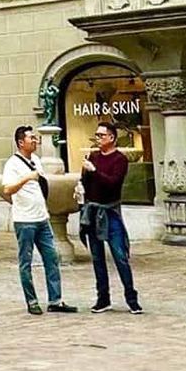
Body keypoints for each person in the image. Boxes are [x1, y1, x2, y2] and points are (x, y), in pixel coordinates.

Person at [2, 126, 77, 316]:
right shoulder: (12, 164)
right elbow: (7, 190)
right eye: (31, 138)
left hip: (42, 218)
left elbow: (41, 184)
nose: (35, 141)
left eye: (35, 137)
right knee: (25, 262)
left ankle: (55, 300)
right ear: (21, 142)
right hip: (24, 220)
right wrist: (26, 178)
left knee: (52, 258)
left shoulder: (35, 160)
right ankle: (32, 300)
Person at [79, 120, 142, 315]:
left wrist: (94, 171)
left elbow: (113, 184)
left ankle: (132, 299)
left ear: (112, 138)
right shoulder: (93, 156)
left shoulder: (119, 160)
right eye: (96, 135)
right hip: (93, 211)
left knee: (120, 256)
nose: (98, 139)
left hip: (110, 211)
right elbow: (87, 182)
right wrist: (81, 186)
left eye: (101, 135)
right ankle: (102, 299)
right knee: (97, 258)